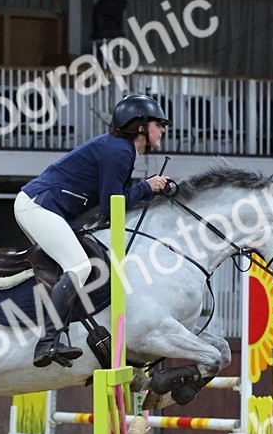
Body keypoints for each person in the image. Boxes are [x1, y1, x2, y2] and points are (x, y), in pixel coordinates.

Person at [14, 94, 173, 368]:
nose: (162, 130)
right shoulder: (120, 152)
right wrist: (148, 187)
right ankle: (47, 342)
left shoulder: (121, 150)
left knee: (75, 265)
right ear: (140, 127)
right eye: (158, 124)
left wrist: (148, 188)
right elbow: (113, 206)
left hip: (45, 207)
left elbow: (112, 202)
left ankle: (63, 332)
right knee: (79, 266)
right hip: (39, 206)